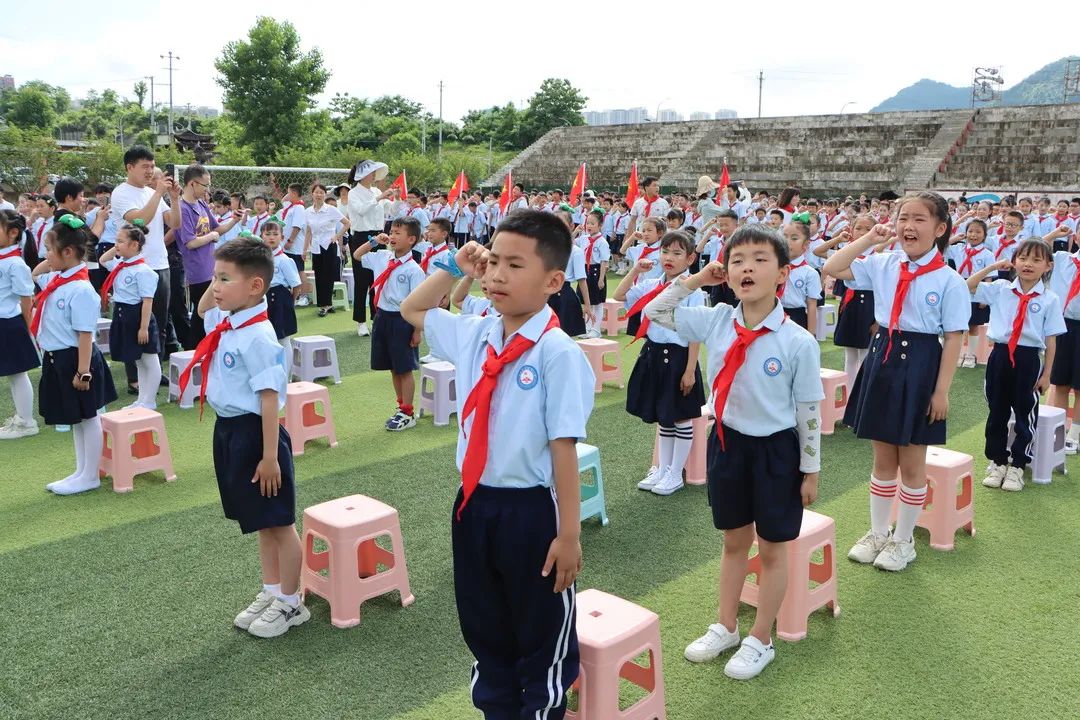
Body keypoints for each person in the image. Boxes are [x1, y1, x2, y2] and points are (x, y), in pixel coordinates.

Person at [399, 211, 595, 719]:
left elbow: (563, 448)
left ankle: (540, 709)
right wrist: (452, 263)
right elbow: (411, 308)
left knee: (539, 626)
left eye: (514, 264)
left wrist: (569, 535)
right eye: (493, 262)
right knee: (484, 619)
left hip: (531, 511)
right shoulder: (476, 333)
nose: (496, 275)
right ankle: (496, 708)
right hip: (472, 503)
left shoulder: (557, 353)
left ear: (554, 281)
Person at [643, 224, 822, 680]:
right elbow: (654, 312)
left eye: (761, 259)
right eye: (738, 259)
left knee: (774, 548)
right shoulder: (716, 317)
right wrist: (697, 280)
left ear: (783, 274)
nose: (747, 267)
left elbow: (808, 413)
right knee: (733, 541)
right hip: (728, 443)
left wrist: (811, 470)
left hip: (777, 451)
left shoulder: (797, 341)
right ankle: (726, 625)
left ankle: (761, 638)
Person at [824, 191, 969, 572]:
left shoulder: (949, 280)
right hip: (882, 358)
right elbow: (834, 267)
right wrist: (869, 239)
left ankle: (904, 541)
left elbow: (954, 337)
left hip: (921, 364)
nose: (909, 226)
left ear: (939, 229)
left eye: (920, 219)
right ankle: (878, 532)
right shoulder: (884, 262)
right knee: (883, 456)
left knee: (913, 459)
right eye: (904, 217)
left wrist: (941, 391)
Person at [180, 236, 307, 638]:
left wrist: (269, 457)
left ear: (255, 286)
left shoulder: (259, 336)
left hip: (258, 436)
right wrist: (215, 289)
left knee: (280, 522)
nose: (214, 287)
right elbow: (201, 308)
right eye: (214, 277)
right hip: (229, 431)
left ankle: (291, 603)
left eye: (224, 279)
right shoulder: (226, 319)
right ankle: (272, 591)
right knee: (260, 521)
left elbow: (270, 401)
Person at [31, 215, 119, 495]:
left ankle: (90, 474)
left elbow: (84, 336)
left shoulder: (80, 289)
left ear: (67, 252)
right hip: (58, 358)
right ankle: (81, 470)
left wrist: (83, 372)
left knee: (88, 416)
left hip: (76, 360)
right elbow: (36, 273)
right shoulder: (57, 279)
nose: (45, 255)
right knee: (77, 419)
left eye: (49, 248)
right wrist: (57, 253)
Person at [966, 242, 1064, 491]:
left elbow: (1051, 340)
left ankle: (1018, 465)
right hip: (999, 356)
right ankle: (998, 461)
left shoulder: (1049, 299)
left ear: (1048, 265)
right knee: (996, 412)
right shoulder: (1000, 289)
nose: (1028, 264)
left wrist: (1047, 374)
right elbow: (967, 286)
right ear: (1014, 261)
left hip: (1029, 358)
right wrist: (993, 267)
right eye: (1023, 258)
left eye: (1036, 260)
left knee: (1024, 414)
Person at [615, 230, 706, 496]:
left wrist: (690, 370)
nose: (669, 257)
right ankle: (663, 468)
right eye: (665, 251)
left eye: (677, 253)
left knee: (680, 417)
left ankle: (675, 472)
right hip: (653, 355)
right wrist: (635, 269)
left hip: (678, 358)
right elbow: (621, 295)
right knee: (664, 417)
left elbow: (695, 333)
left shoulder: (692, 289)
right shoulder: (652, 283)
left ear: (690, 259)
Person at [109, 146, 180, 369]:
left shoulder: (152, 194)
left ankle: (154, 372)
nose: (150, 171)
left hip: (160, 264)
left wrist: (175, 199)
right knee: (135, 322)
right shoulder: (121, 193)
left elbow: (175, 224)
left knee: (159, 323)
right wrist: (159, 192)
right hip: (134, 267)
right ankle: (135, 377)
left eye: (152, 166)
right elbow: (140, 221)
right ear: (129, 167)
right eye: (145, 167)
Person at [352, 217, 425, 431]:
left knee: (405, 368)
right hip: (382, 317)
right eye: (391, 232)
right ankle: (401, 406)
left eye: (398, 233)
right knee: (393, 367)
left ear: (411, 239)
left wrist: (417, 330)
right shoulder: (382, 256)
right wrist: (374, 241)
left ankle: (409, 412)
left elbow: (419, 303)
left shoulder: (414, 269)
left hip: (402, 320)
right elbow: (357, 255)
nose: (392, 236)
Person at [177, 164, 247, 349]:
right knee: (202, 316)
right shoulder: (182, 208)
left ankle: (203, 352)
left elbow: (218, 228)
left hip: (211, 268)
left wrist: (234, 219)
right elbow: (190, 242)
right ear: (192, 184)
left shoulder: (200, 204)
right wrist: (212, 237)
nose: (208, 190)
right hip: (196, 271)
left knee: (211, 314)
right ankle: (193, 354)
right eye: (205, 185)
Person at [98, 222, 162, 411]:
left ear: (135, 245)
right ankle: (142, 399)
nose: (116, 245)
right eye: (116, 240)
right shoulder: (121, 265)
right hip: (123, 315)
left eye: (120, 241)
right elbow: (102, 259)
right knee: (139, 361)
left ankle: (150, 400)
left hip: (138, 317)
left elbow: (147, 302)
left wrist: (143, 328)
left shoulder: (143, 271)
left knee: (150, 360)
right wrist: (117, 247)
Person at [815, 215, 878, 381]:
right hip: (851, 302)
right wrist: (838, 238)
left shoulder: (879, 255)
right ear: (851, 229)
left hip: (871, 304)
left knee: (867, 352)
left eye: (868, 229)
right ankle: (850, 395)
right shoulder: (845, 252)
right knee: (850, 353)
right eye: (858, 228)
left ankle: (862, 392)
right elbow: (819, 251)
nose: (863, 233)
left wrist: (878, 320)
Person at [0, 209, 39, 440]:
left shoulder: (15, 263)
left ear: (13, 233)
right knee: (12, 374)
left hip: (10, 323)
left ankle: (27, 421)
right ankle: (21, 418)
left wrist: (27, 328)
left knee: (17, 374)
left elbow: (27, 298)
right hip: (5, 323)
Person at [346, 160, 393, 337]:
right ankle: (360, 321)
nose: (374, 175)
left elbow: (387, 210)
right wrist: (380, 198)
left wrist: (392, 200)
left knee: (379, 277)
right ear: (363, 175)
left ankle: (376, 318)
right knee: (362, 280)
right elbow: (361, 211)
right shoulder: (353, 193)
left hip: (379, 235)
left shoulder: (375, 191)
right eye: (371, 172)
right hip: (361, 237)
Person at [945, 219, 995, 368]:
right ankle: (958, 353)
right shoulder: (958, 249)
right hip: (959, 286)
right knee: (958, 323)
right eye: (970, 231)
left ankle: (970, 355)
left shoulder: (987, 254)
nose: (973, 235)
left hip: (978, 288)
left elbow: (989, 276)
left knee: (973, 324)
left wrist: (985, 297)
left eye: (978, 232)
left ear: (985, 235)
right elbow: (940, 247)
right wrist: (954, 239)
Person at [304, 183, 347, 317]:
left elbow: (347, 223)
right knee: (319, 275)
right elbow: (309, 231)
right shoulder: (308, 211)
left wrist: (336, 236)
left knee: (328, 276)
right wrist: (304, 250)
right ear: (312, 194)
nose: (318, 195)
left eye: (321, 192)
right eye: (316, 192)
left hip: (329, 245)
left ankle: (326, 305)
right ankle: (325, 304)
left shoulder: (331, 210)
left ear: (325, 194)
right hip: (316, 247)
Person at [262, 220, 301, 359]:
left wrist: (291, 301)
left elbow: (296, 285)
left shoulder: (284, 260)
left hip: (280, 299)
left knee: (283, 339)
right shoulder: (260, 259)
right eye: (267, 234)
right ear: (261, 237)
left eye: (275, 234)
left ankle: (287, 376)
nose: (271, 237)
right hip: (264, 299)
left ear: (282, 237)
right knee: (267, 338)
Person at [779, 218, 822, 330]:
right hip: (774, 313)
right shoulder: (773, 268)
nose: (787, 242)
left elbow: (812, 305)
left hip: (797, 318)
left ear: (806, 244)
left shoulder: (810, 273)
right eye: (784, 237)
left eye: (794, 238)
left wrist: (811, 334)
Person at [578, 210, 610, 335]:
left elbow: (604, 261)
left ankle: (596, 329)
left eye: (592, 223)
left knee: (597, 303)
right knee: (587, 303)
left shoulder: (602, 242)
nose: (589, 226)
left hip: (596, 272)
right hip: (585, 271)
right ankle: (587, 327)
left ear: (600, 225)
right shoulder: (584, 239)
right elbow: (569, 243)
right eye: (588, 223)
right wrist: (575, 232)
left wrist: (601, 278)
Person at [278, 184, 308, 287]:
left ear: (294, 193)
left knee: (299, 270)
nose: (288, 195)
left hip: (295, 246)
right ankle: (297, 292)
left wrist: (290, 241)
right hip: (287, 245)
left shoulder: (299, 208)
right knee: (291, 270)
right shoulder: (291, 207)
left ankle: (304, 296)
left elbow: (297, 226)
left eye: (289, 192)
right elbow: (283, 200)